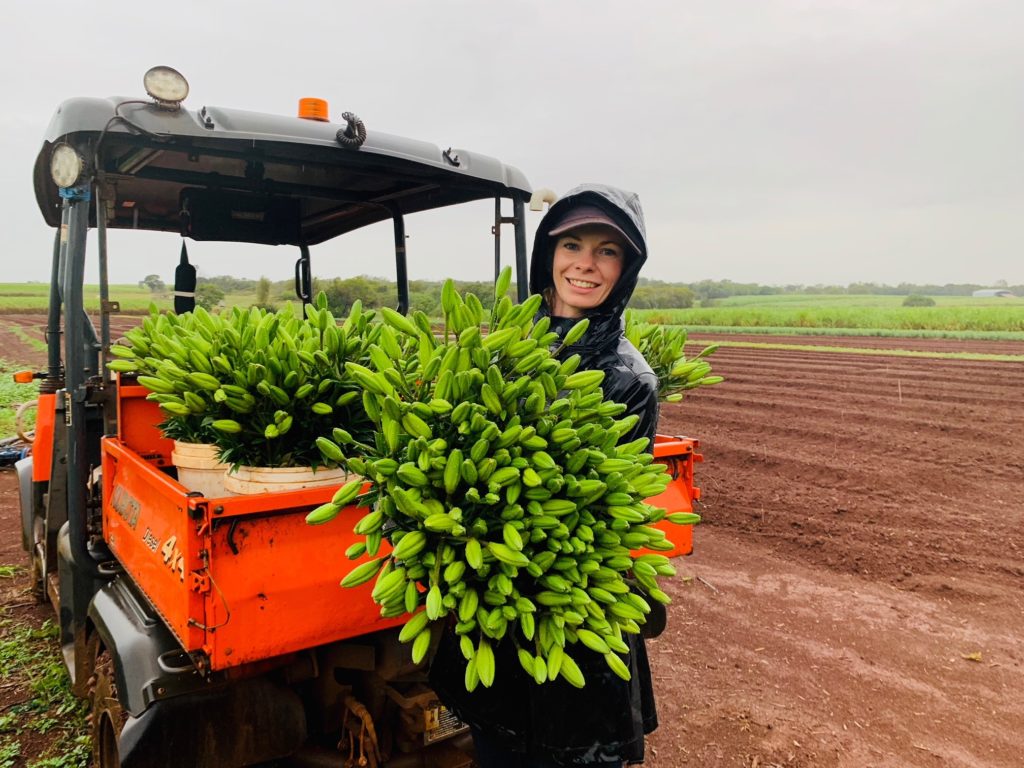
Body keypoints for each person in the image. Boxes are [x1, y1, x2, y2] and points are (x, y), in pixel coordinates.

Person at [430, 183, 661, 766]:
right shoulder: (504, 350)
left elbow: (607, 517)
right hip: (493, 597)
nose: (585, 264)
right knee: (497, 743)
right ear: (546, 255)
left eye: (607, 251)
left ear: (626, 269)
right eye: (573, 244)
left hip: (569, 603)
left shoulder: (628, 379)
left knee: (569, 745)